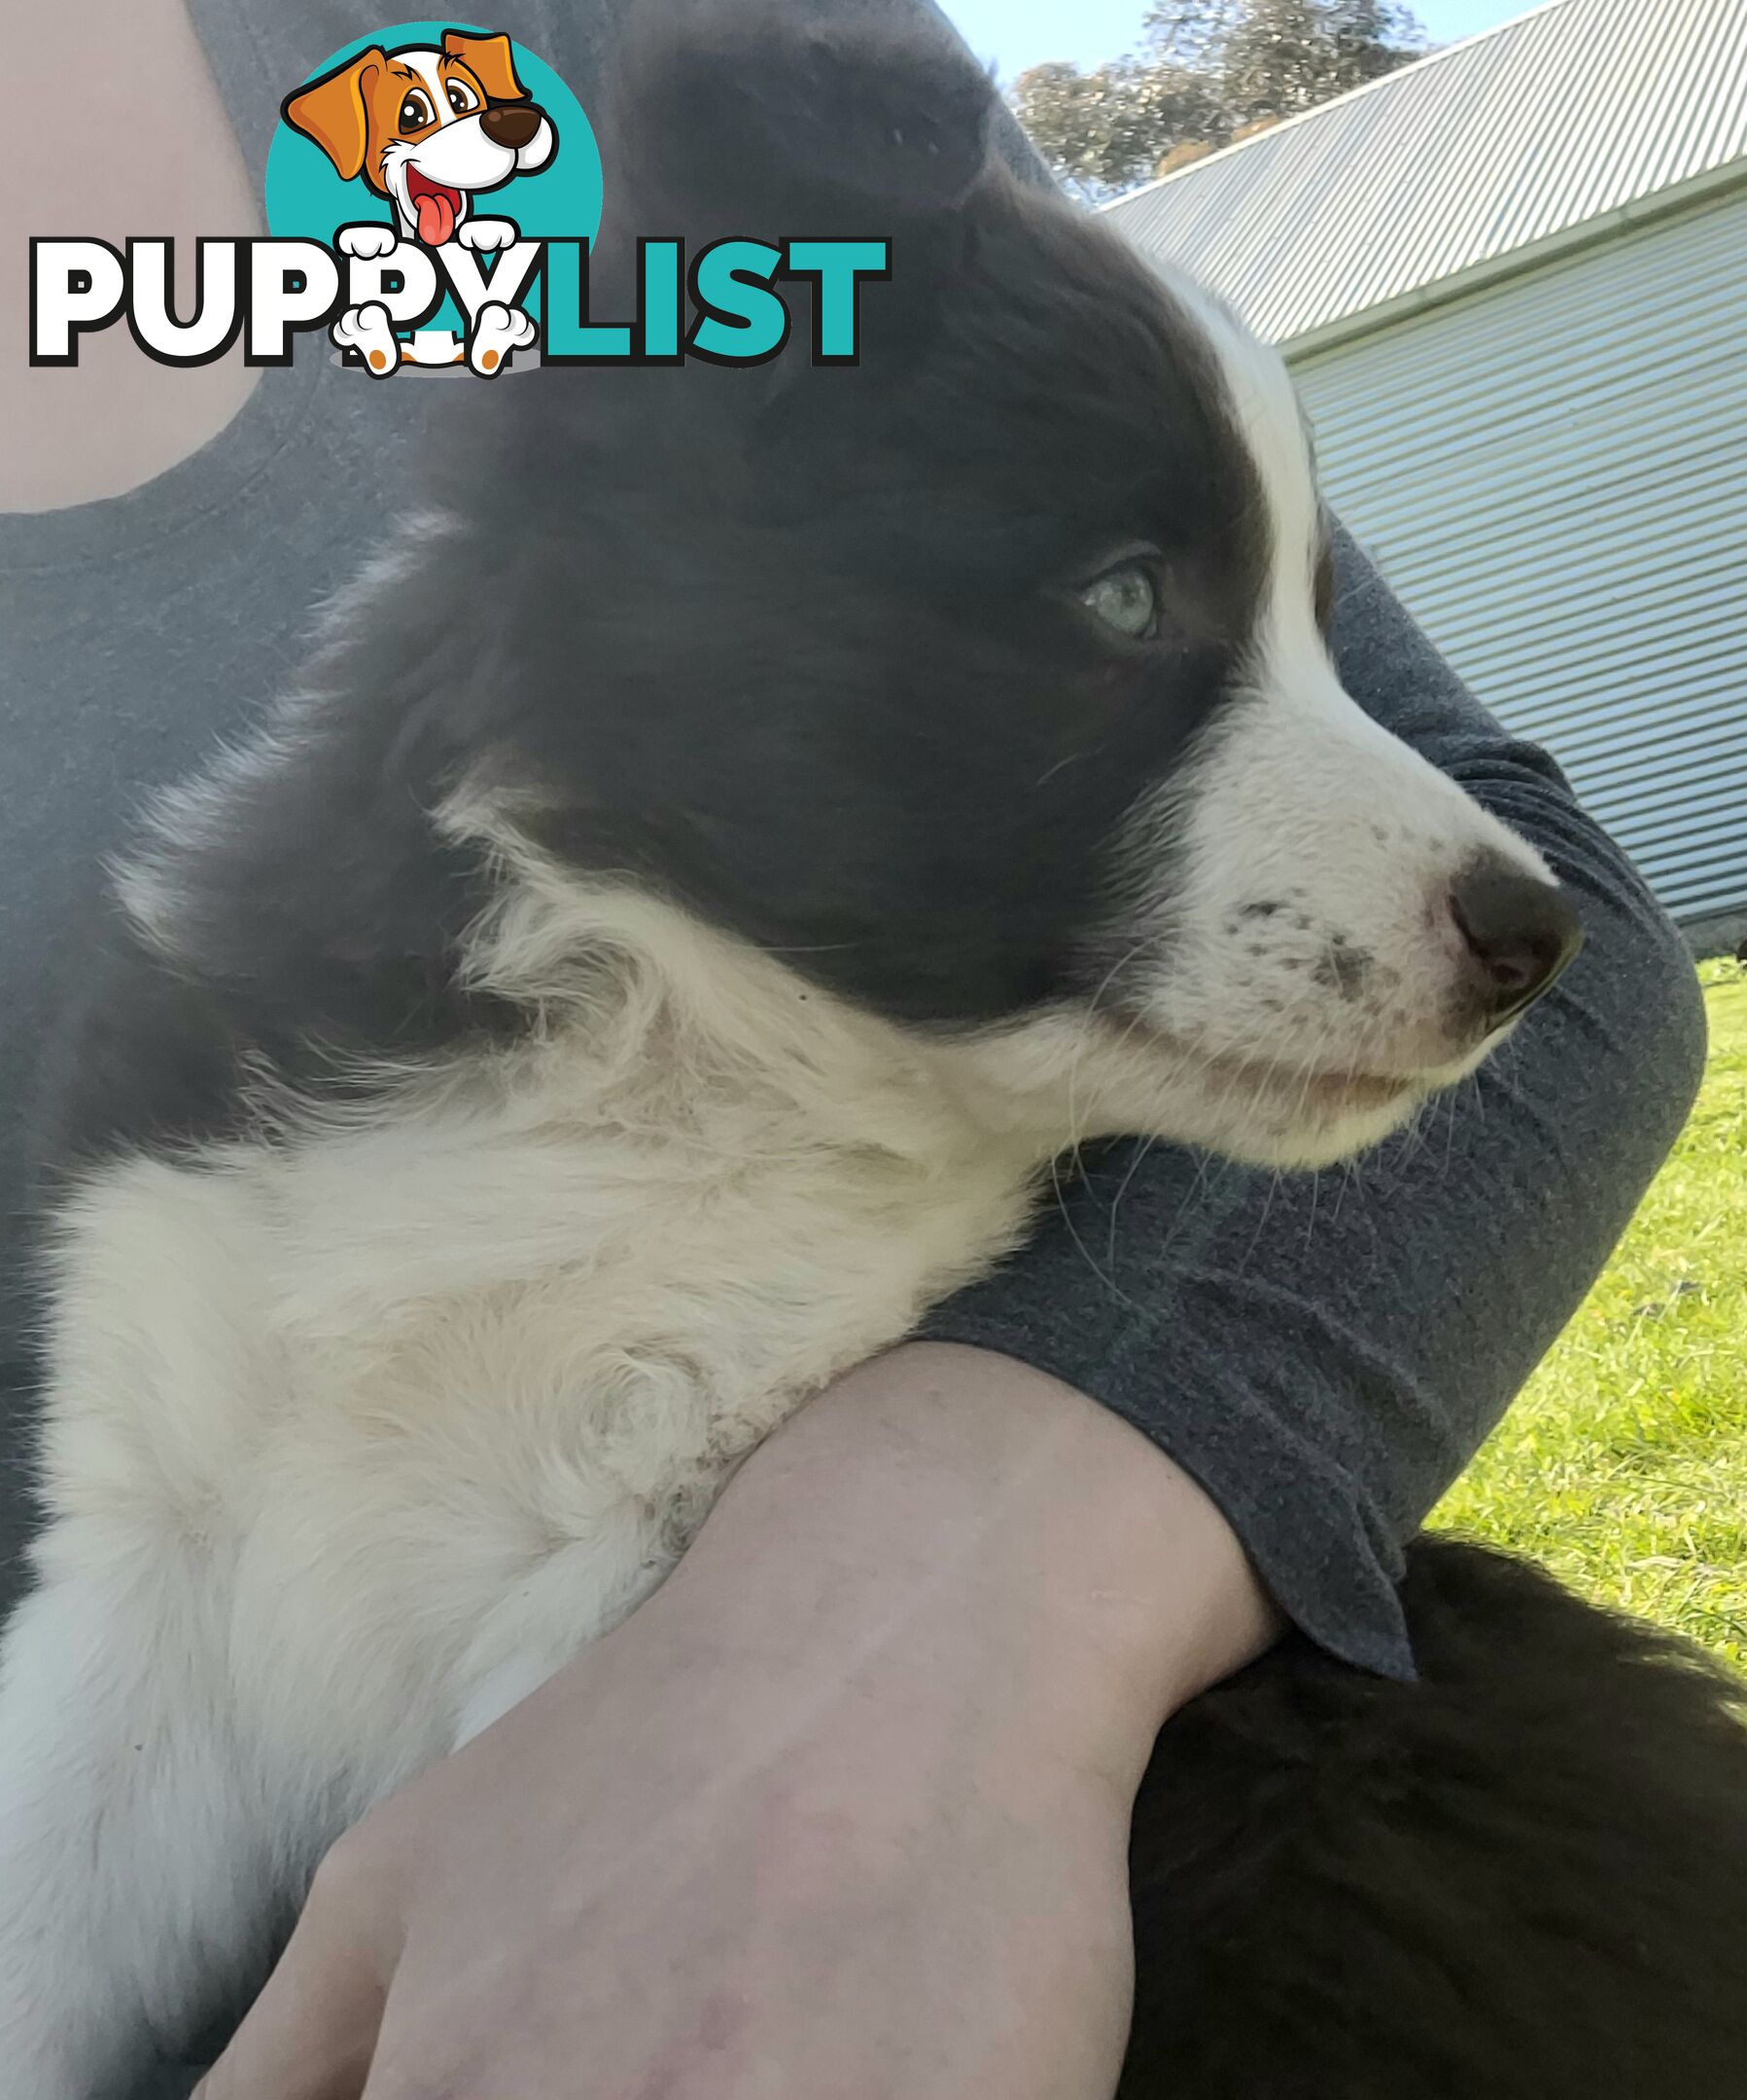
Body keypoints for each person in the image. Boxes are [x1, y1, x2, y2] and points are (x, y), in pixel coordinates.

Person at [0, 1, 1703, 2094]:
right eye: (1127, 599)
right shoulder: (218, 1136)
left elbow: (1578, 957)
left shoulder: (519, 70)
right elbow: (142, 1642)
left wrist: (929, 1610)